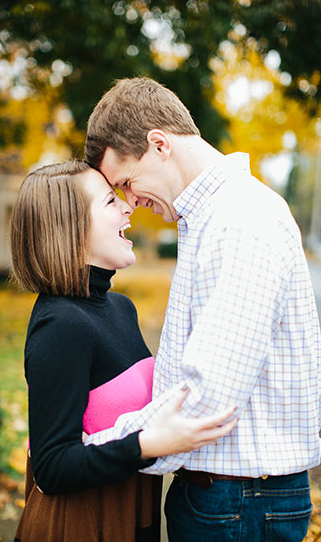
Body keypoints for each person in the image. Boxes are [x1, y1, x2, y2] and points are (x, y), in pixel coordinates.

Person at [84, 77, 321, 541]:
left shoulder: (240, 220)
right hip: (232, 500)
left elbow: (206, 398)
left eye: (127, 181)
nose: (131, 201)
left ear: (159, 144)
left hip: (240, 504)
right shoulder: (213, 217)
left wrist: (89, 450)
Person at [10, 160, 237, 542]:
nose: (128, 207)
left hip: (133, 510)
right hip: (81, 522)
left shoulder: (120, 308)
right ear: (71, 226)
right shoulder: (61, 324)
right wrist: (148, 445)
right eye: (109, 202)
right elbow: (52, 466)